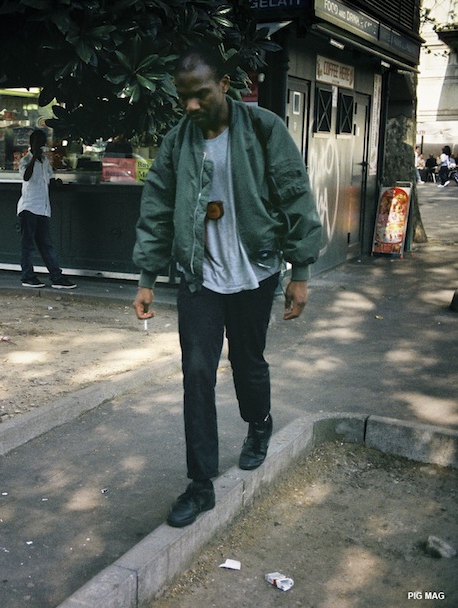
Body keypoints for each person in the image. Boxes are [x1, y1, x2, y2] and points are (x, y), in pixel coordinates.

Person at [132, 47, 322, 528]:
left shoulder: (262, 129)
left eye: (200, 95)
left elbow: (294, 192)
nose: (192, 107)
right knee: (196, 373)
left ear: (225, 84)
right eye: (183, 98)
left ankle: (258, 425)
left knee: (247, 360)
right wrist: (148, 279)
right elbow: (156, 209)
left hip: (255, 272)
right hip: (200, 277)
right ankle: (200, 484)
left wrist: (300, 272)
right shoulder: (178, 143)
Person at [16, 129, 76, 289]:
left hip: (43, 208)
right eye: (38, 143)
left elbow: (49, 179)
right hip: (29, 207)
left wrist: (58, 182)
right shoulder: (25, 161)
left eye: (43, 144)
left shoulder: (45, 162)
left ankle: (56, 276)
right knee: (27, 245)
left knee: (46, 244)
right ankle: (27, 276)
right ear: (31, 144)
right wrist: (34, 155)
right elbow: (26, 177)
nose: (41, 147)